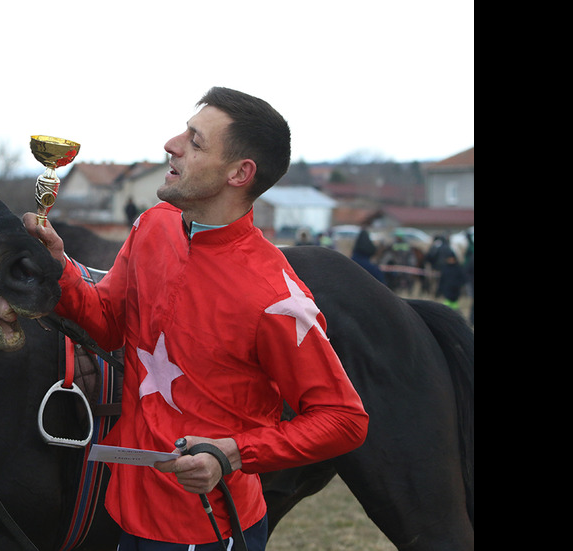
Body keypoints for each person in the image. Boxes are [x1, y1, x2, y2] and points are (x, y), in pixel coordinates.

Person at [23, 87, 368, 550]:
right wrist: (58, 267)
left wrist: (234, 453)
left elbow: (344, 419)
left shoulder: (276, 298)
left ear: (239, 173)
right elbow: (106, 322)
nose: (172, 144)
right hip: (126, 508)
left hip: (206, 529)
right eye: (184, 131)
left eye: (196, 141)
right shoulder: (154, 224)